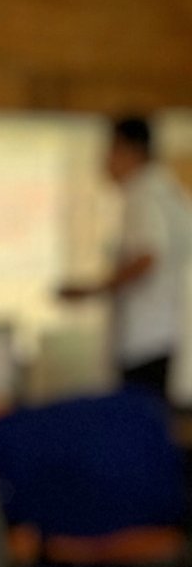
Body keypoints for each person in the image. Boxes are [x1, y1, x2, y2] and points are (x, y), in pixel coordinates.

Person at [56, 114, 192, 398]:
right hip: (163, 334)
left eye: (109, 151)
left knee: (137, 424)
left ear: (128, 149)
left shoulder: (142, 194)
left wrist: (92, 290)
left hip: (146, 340)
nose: (104, 162)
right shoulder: (167, 191)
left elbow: (148, 257)